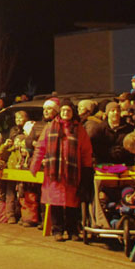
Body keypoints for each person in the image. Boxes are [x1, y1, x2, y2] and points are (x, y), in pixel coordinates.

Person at [30, 100, 94, 241]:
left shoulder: (79, 129)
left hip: (72, 173)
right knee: (55, 203)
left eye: (69, 111)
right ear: (60, 112)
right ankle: (57, 230)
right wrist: (35, 165)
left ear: (73, 113)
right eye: (64, 110)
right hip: (54, 173)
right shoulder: (50, 127)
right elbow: (41, 147)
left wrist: (87, 168)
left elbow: (85, 151)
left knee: (73, 203)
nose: (66, 113)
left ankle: (72, 231)